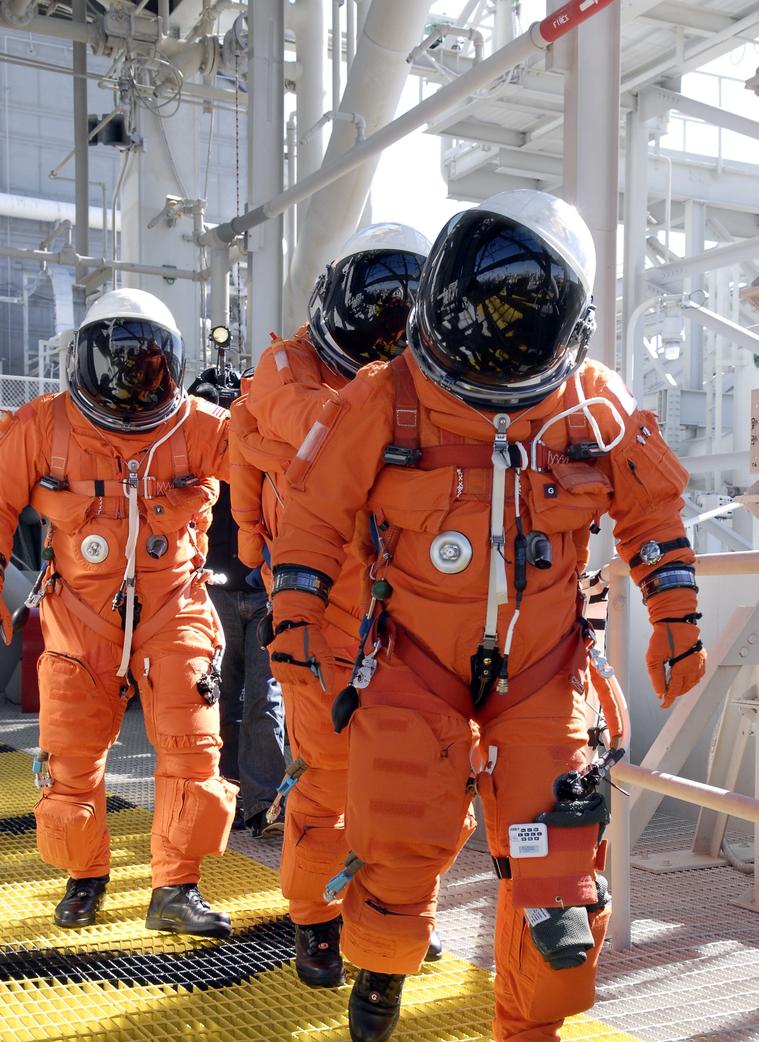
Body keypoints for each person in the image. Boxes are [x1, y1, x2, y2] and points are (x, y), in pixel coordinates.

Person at [269, 191, 706, 1042]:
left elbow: (652, 516)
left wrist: (676, 616)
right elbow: (313, 510)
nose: (487, 340)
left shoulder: (595, 404)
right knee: (396, 833)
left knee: (559, 875)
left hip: (544, 671)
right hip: (413, 657)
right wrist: (298, 609)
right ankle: (381, 968)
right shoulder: (379, 398)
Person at [229, 222, 451, 987]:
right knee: (325, 780)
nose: (388, 334)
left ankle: (390, 918)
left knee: (409, 785)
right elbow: (308, 429)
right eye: (379, 314)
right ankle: (315, 924)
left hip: (409, 622)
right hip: (320, 615)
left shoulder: (427, 396)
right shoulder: (286, 372)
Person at [0, 288, 236, 937]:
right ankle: (85, 876)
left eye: (148, 370)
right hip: (80, 613)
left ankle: (175, 888)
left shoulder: (203, 425)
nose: (132, 386)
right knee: (72, 755)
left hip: (175, 606)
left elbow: (286, 478)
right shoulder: (43, 427)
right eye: (119, 368)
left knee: (193, 743)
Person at [190, 363, 288, 840]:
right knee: (221, 698)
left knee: (262, 700)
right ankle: (227, 795)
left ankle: (264, 803)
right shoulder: (198, 448)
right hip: (221, 590)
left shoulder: (271, 443)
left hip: (263, 589)